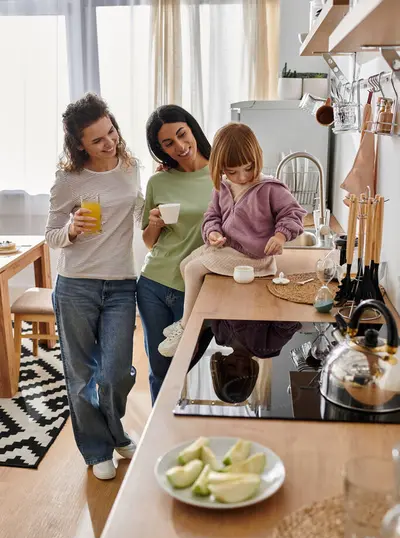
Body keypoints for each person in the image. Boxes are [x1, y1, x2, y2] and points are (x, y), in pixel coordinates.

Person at [45, 93, 143, 480]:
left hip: (121, 283)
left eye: (111, 131)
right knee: (82, 375)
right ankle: (98, 448)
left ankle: (115, 432)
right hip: (76, 286)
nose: (110, 142)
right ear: (79, 144)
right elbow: (50, 235)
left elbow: (134, 207)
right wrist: (70, 230)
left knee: (116, 372)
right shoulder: (68, 179)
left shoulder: (131, 165)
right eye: (98, 139)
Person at [158, 122, 307, 357]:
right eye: (232, 171)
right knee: (185, 264)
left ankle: (187, 329)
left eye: (248, 168)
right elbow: (211, 216)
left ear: (256, 158)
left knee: (193, 270)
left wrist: (280, 236)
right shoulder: (223, 187)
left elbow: (294, 214)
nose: (242, 176)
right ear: (221, 167)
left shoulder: (270, 188)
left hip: (253, 258)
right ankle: (190, 321)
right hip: (228, 249)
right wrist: (213, 233)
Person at [137, 105, 213, 404]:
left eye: (182, 134)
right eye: (168, 143)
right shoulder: (159, 181)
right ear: (160, 149)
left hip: (198, 290)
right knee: (159, 368)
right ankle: (161, 439)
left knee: (190, 365)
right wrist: (154, 224)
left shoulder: (221, 173)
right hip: (154, 284)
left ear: (192, 128)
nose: (180, 147)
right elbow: (148, 242)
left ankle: (187, 428)